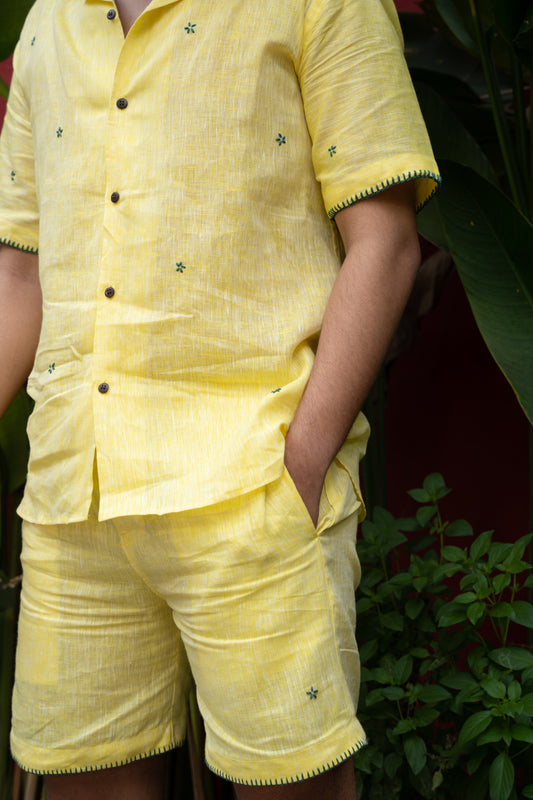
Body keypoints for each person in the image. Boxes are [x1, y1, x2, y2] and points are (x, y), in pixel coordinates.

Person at [0, 0, 440, 797]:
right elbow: (18, 275)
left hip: (252, 483)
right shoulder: (47, 23)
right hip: (76, 499)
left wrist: (300, 466)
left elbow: (384, 240)